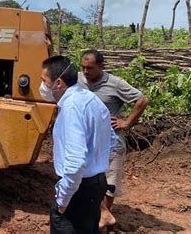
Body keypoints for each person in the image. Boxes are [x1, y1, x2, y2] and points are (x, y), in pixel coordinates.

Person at [40, 55, 116, 234]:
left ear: (58, 83)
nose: (42, 86)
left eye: (44, 81)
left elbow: (75, 162)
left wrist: (63, 198)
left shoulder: (71, 108)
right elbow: (111, 139)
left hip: (78, 190)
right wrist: (96, 161)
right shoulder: (91, 99)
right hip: (96, 184)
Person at [78, 49, 148, 229]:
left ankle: (102, 219)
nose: (86, 72)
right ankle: (102, 215)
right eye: (83, 67)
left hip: (111, 141)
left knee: (110, 182)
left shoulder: (115, 83)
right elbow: (56, 74)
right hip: (85, 140)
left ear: (102, 66)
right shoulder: (78, 80)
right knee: (84, 177)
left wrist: (127, 122)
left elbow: (141, 100)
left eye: (90, 68)